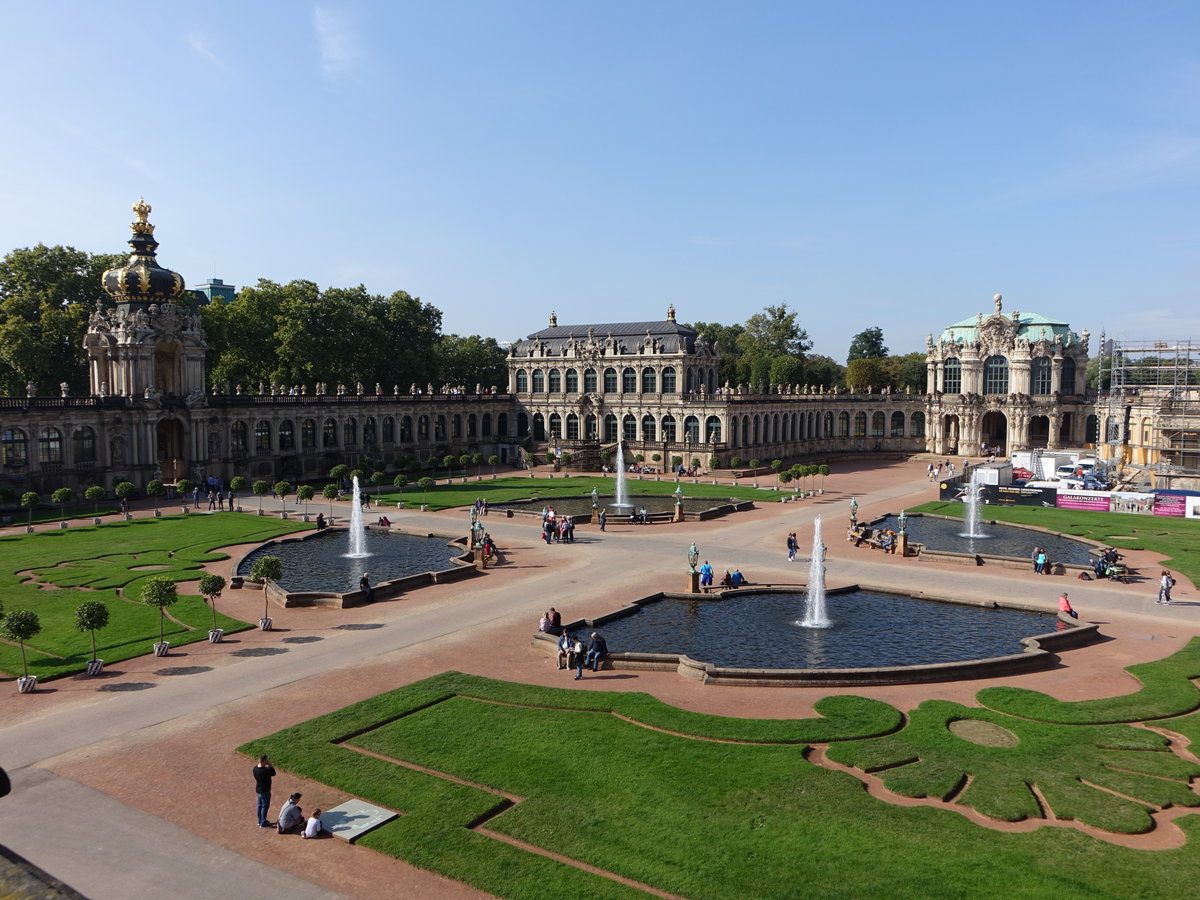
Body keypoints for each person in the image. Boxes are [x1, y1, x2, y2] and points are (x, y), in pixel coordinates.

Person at [252, 754, 276, 828]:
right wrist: (270, 765)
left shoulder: (255, 768)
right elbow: (274, 773)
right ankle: (263, 822)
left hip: (259, 790)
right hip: (265, 791)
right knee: (265, 806)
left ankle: (259, 821)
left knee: (259, 805)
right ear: (265, 760)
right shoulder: (265, 770)